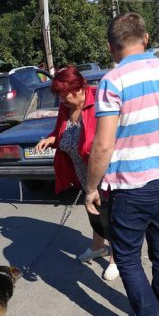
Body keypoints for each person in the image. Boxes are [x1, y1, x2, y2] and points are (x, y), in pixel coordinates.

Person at [85, 12, 159, 316]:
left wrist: (91, 188)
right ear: (146, 38)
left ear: (110, 47)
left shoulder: (113, 81)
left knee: (128, 257)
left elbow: (102, 145)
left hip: (132, 187)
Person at [35, 65, 119, 281]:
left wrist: (100, 179)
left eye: (64, 95)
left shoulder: (99, 102)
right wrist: (51, 139)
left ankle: (116, 259)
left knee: (110, 216)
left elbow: (105, 143)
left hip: (105, 172)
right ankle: (98, 247)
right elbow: (59, 132)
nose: (61, 101)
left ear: (78, 89)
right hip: (83, 173)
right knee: (95, 213)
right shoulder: (66, 107)